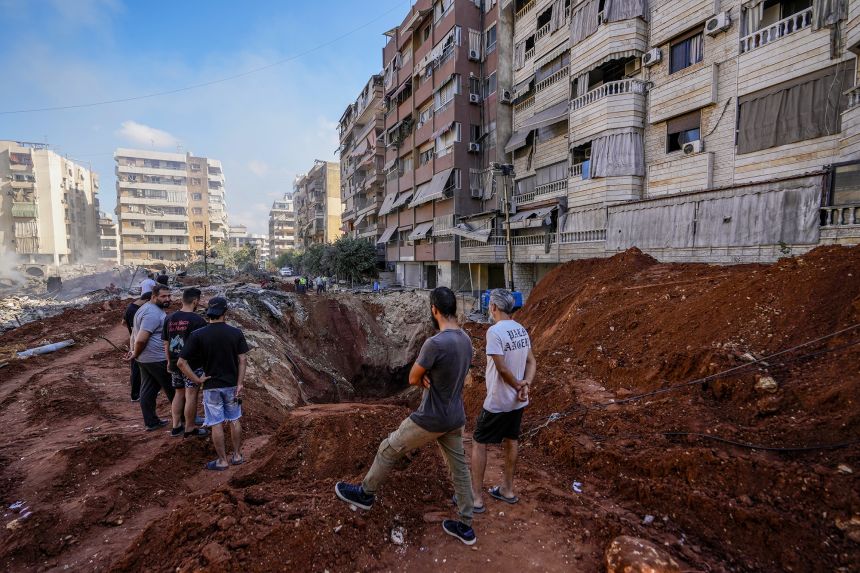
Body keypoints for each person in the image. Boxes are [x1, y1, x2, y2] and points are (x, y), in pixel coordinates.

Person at [335, 287, 477, 545]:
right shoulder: (465, 339)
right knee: (460, 471)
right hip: (456, 416)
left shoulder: (435, 343)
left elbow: (412, 377)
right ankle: (466, 526)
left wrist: (423, 376)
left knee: (388, 448)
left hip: (431, 418)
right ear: (453, 308)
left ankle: (365, 494)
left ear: (434, 310)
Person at [470, 289, 536, 511]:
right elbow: (531, 362)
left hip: (498, 400)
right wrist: (525, 384)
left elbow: (501, 368)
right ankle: (507, 489)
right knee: (511, 439)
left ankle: (476, 498)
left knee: (479, 441)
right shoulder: (521, 330)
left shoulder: (494, 332)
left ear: (494, 307)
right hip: (518, 401)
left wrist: (518, 384)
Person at [178, 297, 249, 471]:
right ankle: (238, 456)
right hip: (232, 385)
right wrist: (239, 383)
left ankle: (222, 461)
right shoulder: (235, 333)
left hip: (211, 386)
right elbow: (243, 359)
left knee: (216, 422)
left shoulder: (198, 335)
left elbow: (181, 362)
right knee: (234, 419)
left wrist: (197, 379)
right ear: (225, 312)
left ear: (209, 311)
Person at [162, 288, 208, 438]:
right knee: (191, 395)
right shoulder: (198, 321)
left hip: (175, 362)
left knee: (178, 393)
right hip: (192, 364)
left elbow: (166, 343)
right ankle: (189, 428)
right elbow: (203, 346)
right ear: (195, 301)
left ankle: (176, 426)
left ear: (182, 300)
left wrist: (169, 362)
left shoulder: (169, 318)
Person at [128, 284, 174, 431]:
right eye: (163, 296)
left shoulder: (145, 308)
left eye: (169, 296)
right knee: (174, 389)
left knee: (148, 389)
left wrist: (135, 352)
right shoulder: (153, 313)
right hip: (157, 358)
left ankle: (151, 422)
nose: (167, 299)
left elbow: (134, 334)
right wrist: (135, 352)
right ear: (154, 297)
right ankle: (186, 419)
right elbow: (141, 338)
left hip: (145, 358)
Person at [122, 291, 151, 402]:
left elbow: (123, 322)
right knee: (137, 368)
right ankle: (135, 394)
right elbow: (137, 328)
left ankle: (140, 391)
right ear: (147, 300)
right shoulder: (136, 311)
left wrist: (131, 332)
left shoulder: (131, 307)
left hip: (135, 340)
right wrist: (134, 335)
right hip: (137, 342)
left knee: (138, 368)